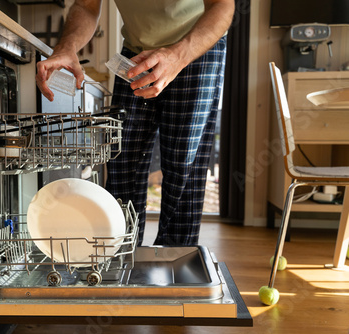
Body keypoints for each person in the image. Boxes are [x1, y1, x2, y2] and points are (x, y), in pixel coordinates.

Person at [36, 0, 235, 246]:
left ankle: (174, 266)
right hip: (135, 52)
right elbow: (86, 6)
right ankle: (119, 259)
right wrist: (67, 47)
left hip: (196, 48)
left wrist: (176, 56)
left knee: (183, 168)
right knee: (123, 161)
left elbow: (222, 5)